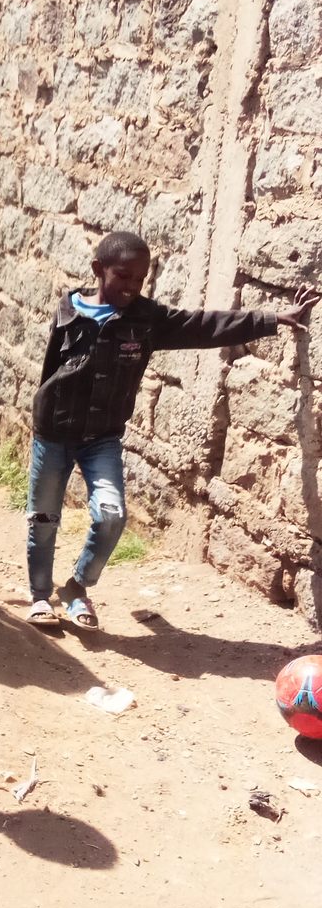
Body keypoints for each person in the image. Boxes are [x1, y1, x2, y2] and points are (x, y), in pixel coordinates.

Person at [26, 230, 318, 631]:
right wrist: (41, 423)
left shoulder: (146, 320)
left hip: (102, 439)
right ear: (98, 269)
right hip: (54, 434)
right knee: (43, 519)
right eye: (123, 276)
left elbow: (203, 326)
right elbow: (50, 374)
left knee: (111, 516)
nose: (132, 286)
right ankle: (41, 596)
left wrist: (269, 319)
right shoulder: (68, 313)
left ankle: (77, 587)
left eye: (140, 278)